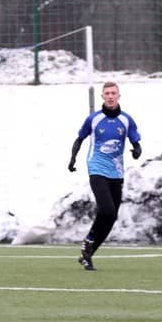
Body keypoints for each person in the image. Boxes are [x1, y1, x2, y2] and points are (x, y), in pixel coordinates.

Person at [68, 81, 141, 271]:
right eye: (107, 93)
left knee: (112, 216)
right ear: (102, 96)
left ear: (118, 96)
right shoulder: (93, 119)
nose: (110, 96)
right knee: (106, 210)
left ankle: (88, 253)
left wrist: (136, 151)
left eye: (113, 93)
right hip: (97, 168)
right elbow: (79, 139)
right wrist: (73, 159)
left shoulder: (126, 120)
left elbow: (136, 144)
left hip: (116, 171)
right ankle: (89, 241)